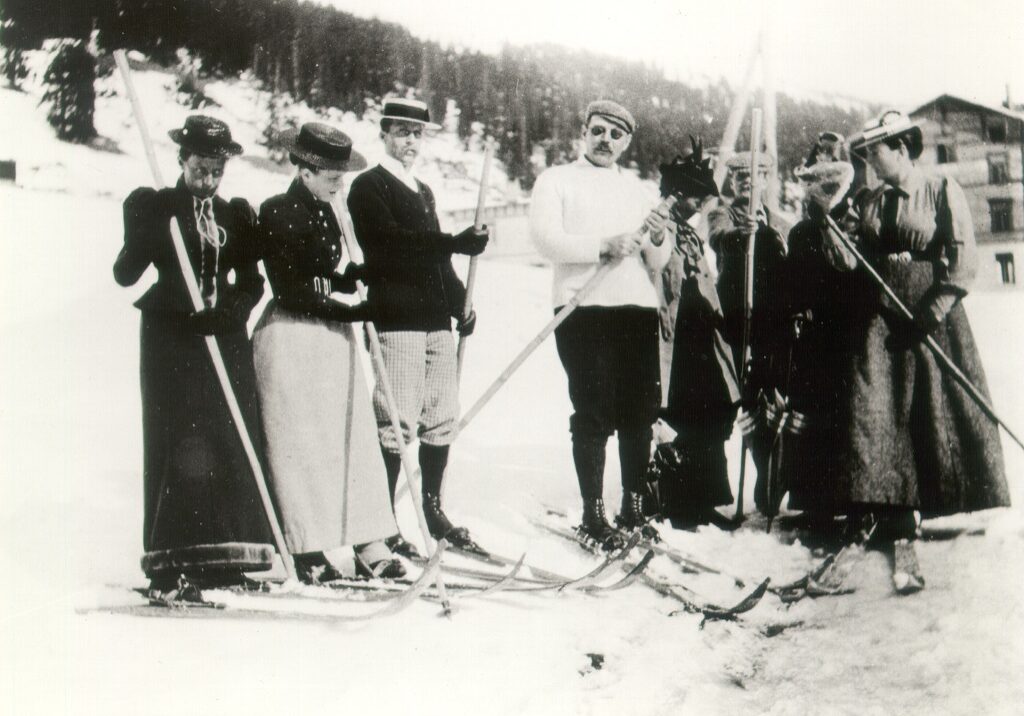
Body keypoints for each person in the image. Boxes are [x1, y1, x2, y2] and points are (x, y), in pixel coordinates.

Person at [828, 110, 1010, 592]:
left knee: (926, 413)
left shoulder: (939, 189)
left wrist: (935, 310)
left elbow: (964, 256)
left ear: (902, 149)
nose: (870, 161)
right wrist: (831, 224)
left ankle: (913, 511)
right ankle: (876, 508)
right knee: (873, 411)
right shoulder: (867, 200)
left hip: (927, 316)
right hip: (878, 317)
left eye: (876, 152)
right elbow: (849, 261)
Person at [113, 115, 274, 593]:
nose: (208, 180)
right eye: (200, 168)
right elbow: (125, 274)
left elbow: (251, 282)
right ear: (182, 160)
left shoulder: (234, 215)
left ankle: (223, 556)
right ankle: (170, 561)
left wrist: (231, 313)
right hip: (171, 337)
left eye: (217, 171)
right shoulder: (157, 208)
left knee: (228, 437)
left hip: (223, 338)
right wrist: (141, 228)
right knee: (178, 440)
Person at [253, 122, 404, 582]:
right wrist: (353, 309)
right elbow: (292, 288)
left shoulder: (329, 210)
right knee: (302, 445)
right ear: (305, 171)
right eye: (333, 176)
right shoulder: (277, 211)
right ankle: (307, 547)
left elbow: (322, 273)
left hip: (330, 338)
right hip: (292, 336)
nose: (341, 183)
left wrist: (351, 277)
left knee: (350, 439)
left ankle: (368, 540)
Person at [347, 99, 488, 555]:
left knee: (441, 416)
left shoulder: (423, 190)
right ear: (385, 133)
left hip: (433, 322)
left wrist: (459, 301)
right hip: (397, 318)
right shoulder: (368, 185)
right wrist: (452, 240)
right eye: (402, 132)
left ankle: (432, 509)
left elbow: (436, 259)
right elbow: (391, 246)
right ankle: (383, 521)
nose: (410, 142)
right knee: (397, 420)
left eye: (417, 134)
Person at [529, 99, 671, 550]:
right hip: (582, 308)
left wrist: (659, 236)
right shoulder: (557, 181)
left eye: (615, 134)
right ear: (584, 132)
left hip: (636, 308)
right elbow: (547, 241)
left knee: (638, 412)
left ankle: (631, 505)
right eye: (598, 131)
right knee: (594, 409)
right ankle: (593, 513)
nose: (605, 140)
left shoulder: (639, 192)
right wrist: (603, 245)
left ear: (626, 142)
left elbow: (658, 261)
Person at [655, 139, 741, 530]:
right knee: (682, 416)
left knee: (714, 409)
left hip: (704, 337)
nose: (697, 207)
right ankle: (679, 503)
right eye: (693, 199)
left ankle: (705, 498)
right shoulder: (658, 229)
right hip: (674, 338)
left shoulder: (690, 236)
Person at [708, 150, 789, 515]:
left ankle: (773, 471)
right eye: (739, 178)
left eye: (754, 177)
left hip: (773, 321)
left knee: (773, 395)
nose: (746, 184)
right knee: (746, 397)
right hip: (736, 319)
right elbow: (719, 239)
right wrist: (744, 233)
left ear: (767, 180)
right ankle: (755, 471)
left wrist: (768, 232)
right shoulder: (723, 214)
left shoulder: (781, 222)